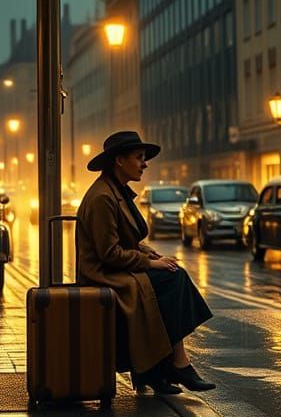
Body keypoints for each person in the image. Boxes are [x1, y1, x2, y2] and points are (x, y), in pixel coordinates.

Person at [77, 131, 215, 395]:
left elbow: (127, 240)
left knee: (173, 274)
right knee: (173, 280)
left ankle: (158, 372)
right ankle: (177, 365)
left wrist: (152, 255)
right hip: (104, 274)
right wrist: (151, 264)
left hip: (118, 269)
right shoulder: (103, 197)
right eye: (139, 158)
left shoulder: (116, 191)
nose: (145, 163)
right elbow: (109, 253)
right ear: (119, 160)